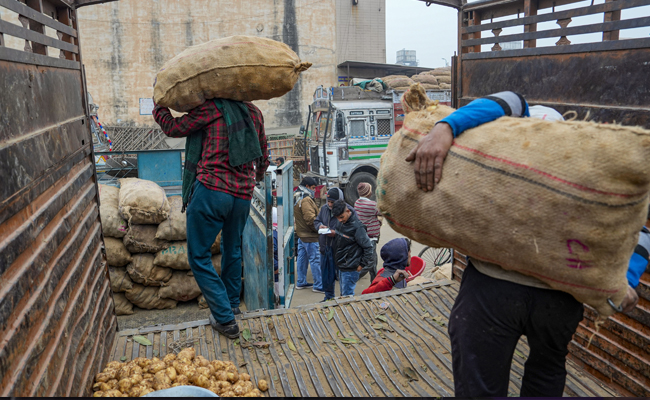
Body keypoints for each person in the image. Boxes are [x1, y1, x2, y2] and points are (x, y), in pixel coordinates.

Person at [406, 91, 645, 396]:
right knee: (546, 372)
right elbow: (639, 225)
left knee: (479, 381)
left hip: (493, 289)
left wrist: (445, 127)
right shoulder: (587, 172)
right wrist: (629, 276)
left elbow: (507, 100)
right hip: (559, 299)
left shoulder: (507, 148)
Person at [154, 98, 269, 339]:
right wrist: (251, 178)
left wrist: (159, 106)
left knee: (198, 256)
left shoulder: (211, 108)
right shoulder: (254, 112)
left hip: (211, 191)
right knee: (232, 248)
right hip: (242, 195)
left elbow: (174, 128)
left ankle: (225, 318)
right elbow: (263, 157)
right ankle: (232, 305)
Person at [314, 188, 355, 301]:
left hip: (343, 251)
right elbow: (316, 221)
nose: (330, 204)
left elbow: (354, 232)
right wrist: (319, 226)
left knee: (344, 277)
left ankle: (344, 299)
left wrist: (336, 234)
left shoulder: (349, 211)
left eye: (333, 202)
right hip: (326, 249)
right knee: (327, 276)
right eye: (328, 201)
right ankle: (328, 297)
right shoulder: (324, 209)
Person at [330, 199, 374, 296]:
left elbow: (369, 248)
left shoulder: (357, 227)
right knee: (344, 295)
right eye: (337, 218)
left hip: (350, 268)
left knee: (347, 297)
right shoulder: (341, 223)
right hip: (342, 266)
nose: (340, 220)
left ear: (348, 211)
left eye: (341, 217)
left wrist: (361, 265)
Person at [294, 177, 323, 292]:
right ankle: (319, 285)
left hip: (301, 234)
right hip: (309, 235)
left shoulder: (297, 195)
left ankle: (301, 282)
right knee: (315, 259)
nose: (314, 190)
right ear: (307, 186)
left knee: (302, 258)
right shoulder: (305, 199)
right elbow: (310, 219)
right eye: (313, 188)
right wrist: (320, 228)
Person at [354, 182, 382, 282]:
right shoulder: (371, 205)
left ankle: (374, 281)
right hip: (370, 237)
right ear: (368, 193)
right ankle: (353, 277)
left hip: (363, 236)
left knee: (373, 260)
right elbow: (383, 211)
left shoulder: (357, 202)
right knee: (369, 262)